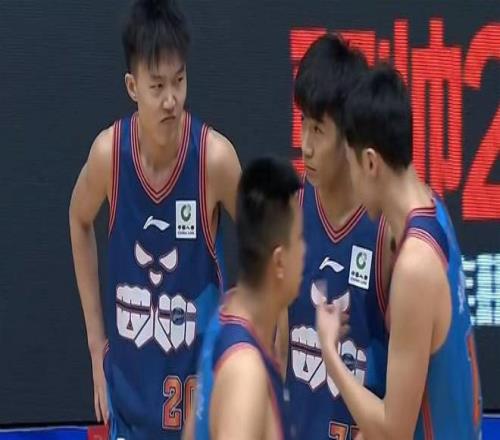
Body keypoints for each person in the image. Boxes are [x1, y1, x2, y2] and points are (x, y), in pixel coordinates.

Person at [69, 0, 240, 437]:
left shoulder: (215, 159)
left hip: (201, 413)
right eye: (157, 85)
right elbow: (78, 219)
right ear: (132, 86)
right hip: (130, 407)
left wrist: (248, 340)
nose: (171, 100)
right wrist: (95, 344)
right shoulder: (109, 155)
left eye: (179, 81)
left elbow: (272, 246)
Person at [317, 64, 482, 439]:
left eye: (351, 165)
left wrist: (329, 352)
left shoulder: (414, 267)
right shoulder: (434, 209)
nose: (351, 182)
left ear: (370, 162)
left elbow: (394, 431)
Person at [280, 34, 393, 440]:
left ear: (348, 138)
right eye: (302, 125)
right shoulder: (290, 213)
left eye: (317, 130)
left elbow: (408, 389)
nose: (304, 146)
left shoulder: (385, 232)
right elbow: (279, 347)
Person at [194, 157, 304, 440]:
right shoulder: (246, 373)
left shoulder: (222, 318)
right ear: (279, 262)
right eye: (299, 239)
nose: (304, 250)